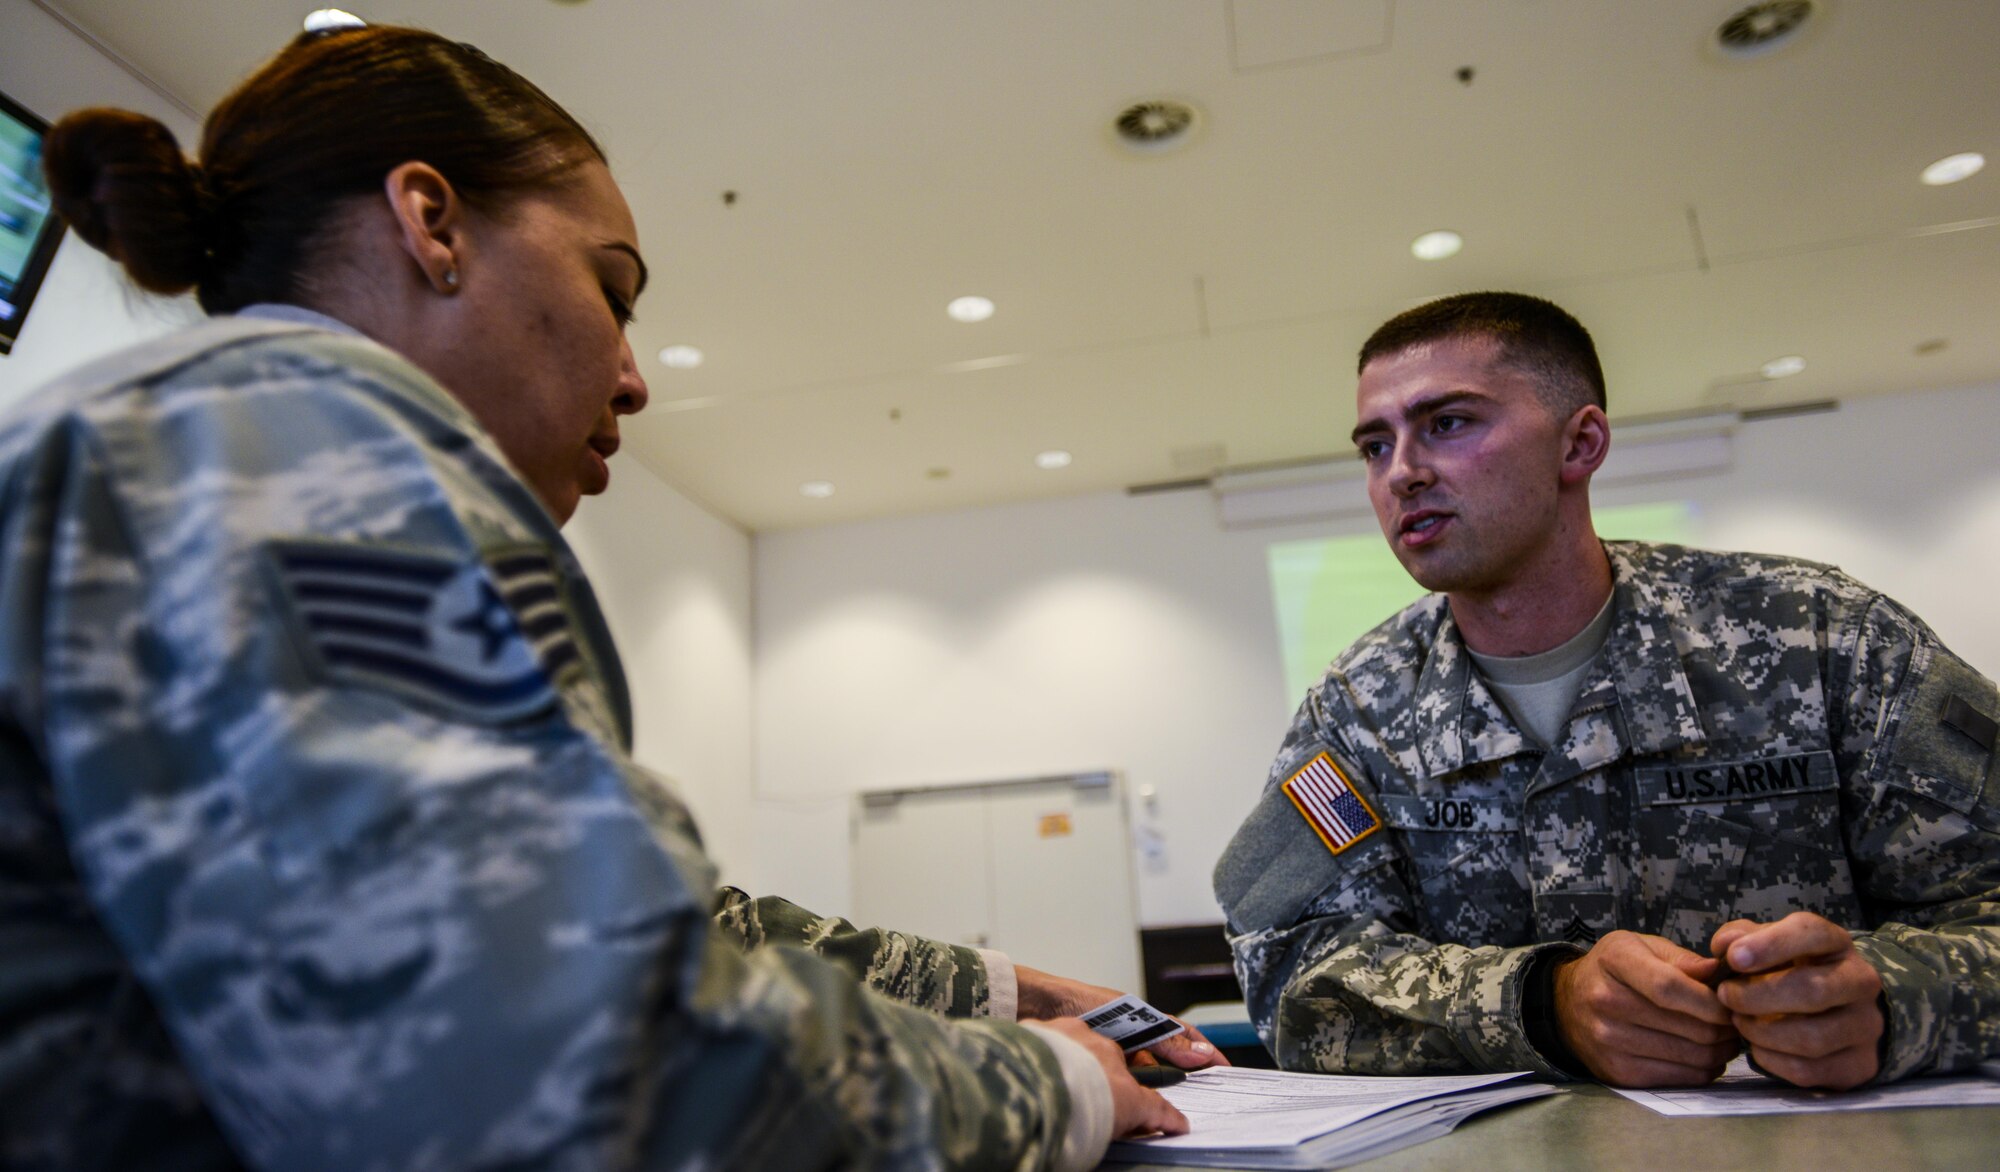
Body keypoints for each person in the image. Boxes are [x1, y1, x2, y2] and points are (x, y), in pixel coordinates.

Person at [0, 24, 1217, 1171]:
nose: (632, 379)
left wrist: (1005, 993)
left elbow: (631, 917)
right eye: (613, 290)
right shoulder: (333, 464)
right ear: (431, 222)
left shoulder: (179, 439)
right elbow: (592, 1070)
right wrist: (1046, 1085)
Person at [1214, 291, 1999, 1092]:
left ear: (1580, 442)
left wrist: (1898, 1002)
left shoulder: (1825, 640)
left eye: (1448, 423)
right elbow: (1296, 977)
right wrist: (1543, 1006)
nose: (1404, 472)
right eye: (1376, 446)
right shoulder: (1357, 714)